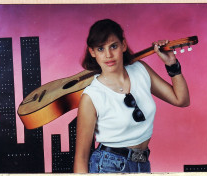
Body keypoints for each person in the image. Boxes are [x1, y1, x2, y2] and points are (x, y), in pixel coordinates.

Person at [74, 19, 190, 173]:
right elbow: (81, 156)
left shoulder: (140, 70)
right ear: (92, 52)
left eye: (113, 46)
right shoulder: (92, 96)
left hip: (142, 164)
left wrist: (172, 64)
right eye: (101, 49)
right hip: (108, 166)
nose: (108, 55)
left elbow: (181, 100)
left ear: (123, 45)